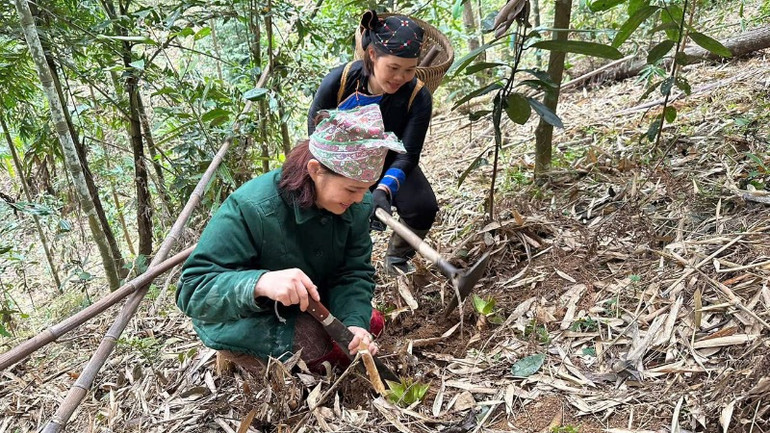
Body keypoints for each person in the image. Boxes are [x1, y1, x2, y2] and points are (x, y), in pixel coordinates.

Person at [176, 104, 405, 373]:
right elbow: (192, 290)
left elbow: (353, 272)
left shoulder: (357, 205)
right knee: (315, 350)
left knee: (369, 325)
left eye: (366, 189)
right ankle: (240, 355)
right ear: (315, 170)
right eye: (352, 189)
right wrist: (259, 283)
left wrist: (354, 322)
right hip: (246, 312)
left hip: (313, 302)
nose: (359, 199)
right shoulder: (252, 207)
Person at [308, 9, 438, 275]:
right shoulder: (339, 81)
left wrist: (383, 190)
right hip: (338, 160)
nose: (400, 77)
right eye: (393, 68)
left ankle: (396, 260)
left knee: (423, 206)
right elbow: (316, 132)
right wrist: (354, 185)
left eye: (409, 70)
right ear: (372, 55)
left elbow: (408, 154)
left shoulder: (418, 97)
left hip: (388, 159)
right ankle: (329, 266)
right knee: (337, 210)